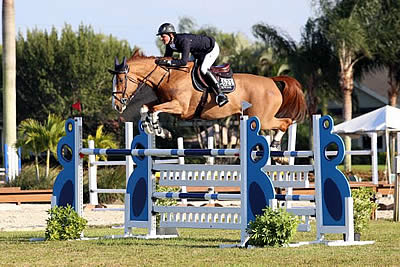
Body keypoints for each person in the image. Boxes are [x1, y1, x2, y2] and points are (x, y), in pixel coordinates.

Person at [155, 23, 229, 107]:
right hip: (197, 52)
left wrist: (168, 63)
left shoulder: (183, 41)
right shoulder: (170, 44)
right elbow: (167, 58)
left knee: (203, 69)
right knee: (188, 68)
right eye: (160, 36)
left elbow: (183, 62)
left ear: (171, 35)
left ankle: (221, 94)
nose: (161, 38)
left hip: (210, 49)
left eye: (163, 36)